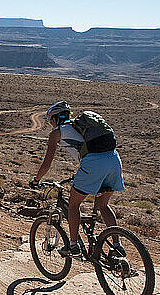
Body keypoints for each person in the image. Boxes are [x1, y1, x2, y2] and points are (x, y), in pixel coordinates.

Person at [30, 101, 126, 257]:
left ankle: (73, 246)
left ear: (54, 119)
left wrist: (36, 180)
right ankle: (117, 245)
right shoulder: (82, 128)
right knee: (103, 204)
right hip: (114, 159)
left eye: (50, 121)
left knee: (74, 204)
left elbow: (46, 164)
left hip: (94, 164)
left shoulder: (57, 132)